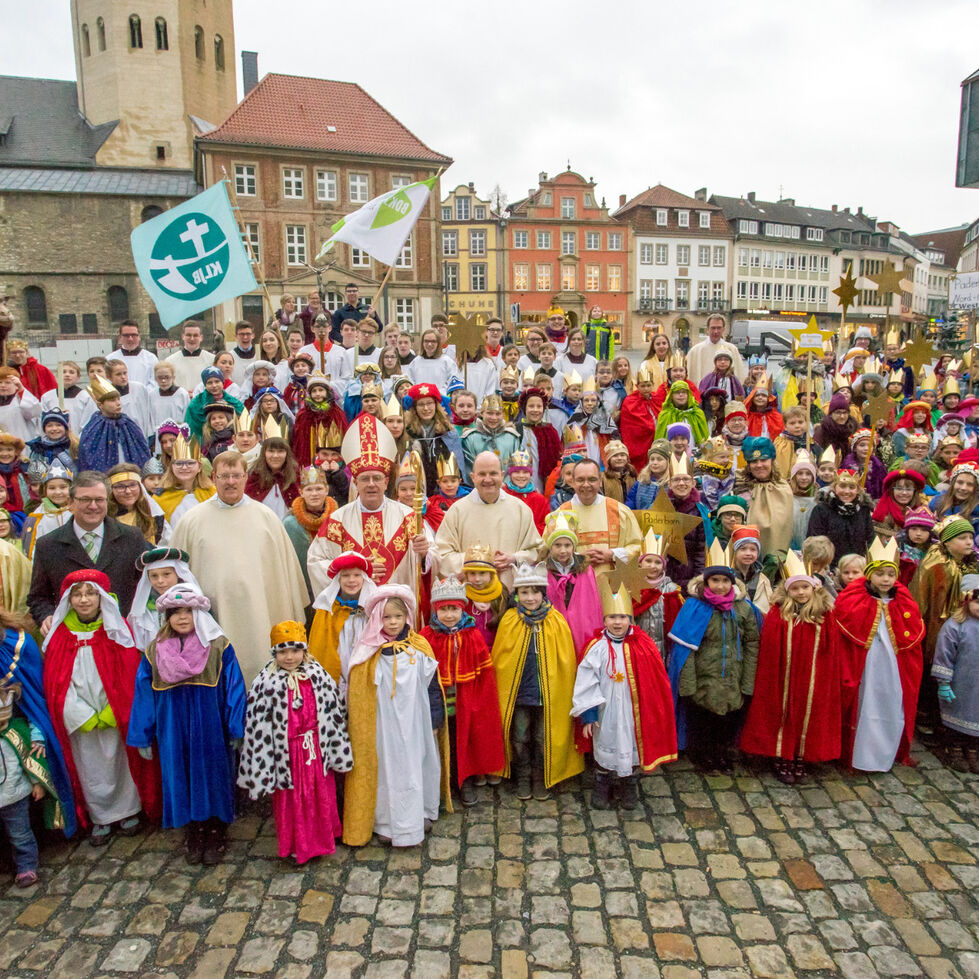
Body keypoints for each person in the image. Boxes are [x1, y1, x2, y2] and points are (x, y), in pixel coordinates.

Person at [127, 584, 246, 865]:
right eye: (175, 612)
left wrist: (235, 726)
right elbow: (144, 694)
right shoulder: (154, 652)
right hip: (173, 727)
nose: (181, 617)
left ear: (199, 614)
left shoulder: (218, 646)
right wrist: (142, 734)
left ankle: (217, 828)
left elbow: (235, 687)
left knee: (212, 772)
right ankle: (194, 829)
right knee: (180, 773)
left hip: (210, 725)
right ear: (166, 617)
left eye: (187, 612)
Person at [41, 569, 161, 843]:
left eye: (90, 594)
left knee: (120, 761)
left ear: (102, 597)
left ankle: (129, 810)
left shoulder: (117, 631)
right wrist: (79, 714)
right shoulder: (60, 636)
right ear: (68, 600)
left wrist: (113, 709)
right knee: (89, 767)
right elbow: (56, 683)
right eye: (77, 595)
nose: (84, 600)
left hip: (113, 714)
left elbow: (129, 673)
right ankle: (100, 817)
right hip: (81, 722)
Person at [171, 452, 308, 685]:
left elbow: (286, 577)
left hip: (261, 615)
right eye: (224, 476)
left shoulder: (267, 518)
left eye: (236, 475)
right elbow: (176, 577)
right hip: (213, 618)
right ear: (213, 477)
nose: (231, 482)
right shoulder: (191, 521)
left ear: (246, 476)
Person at [342, 585, 450, 846]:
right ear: (377, 618)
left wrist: (435, 720)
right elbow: (358, 694)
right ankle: (387, 822)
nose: (392, 622)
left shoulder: (419, 647)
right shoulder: (367, 653)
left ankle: (420, 813)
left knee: (417, 765)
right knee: (387, 772)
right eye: (386, 617)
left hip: (416, 724)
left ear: (407, 618)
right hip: (383, 728)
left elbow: (433, 686)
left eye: (397, 617)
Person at [239, 620, 352, 863]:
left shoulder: (318, 676)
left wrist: (334, 747)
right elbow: (257, 725)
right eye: (282, 651)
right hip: (286, 755)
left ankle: (323, 839)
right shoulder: (265, 682)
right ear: (274, 653)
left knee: (319, 794)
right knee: (292, 800)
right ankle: (296, 845)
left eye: (295, 650)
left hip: (315, 752)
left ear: (304, 651)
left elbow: (333, 713)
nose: (289, 657)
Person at [573, 581, 677, 809]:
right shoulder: (597, 647)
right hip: (606, 710)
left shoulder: (644, 645)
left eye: (622, 617)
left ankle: (629, 784)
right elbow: (586, 682)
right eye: (612, 617)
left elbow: (654, 683)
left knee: (631, 745)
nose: (617, 622)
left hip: (633, 710)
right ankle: (602, 784)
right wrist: (589, 714)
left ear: (630, 619)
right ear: (604, 620)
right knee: (606, 744)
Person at [740, 552, 842, 783]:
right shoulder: (779, 613)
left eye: (805, 587)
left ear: (814, 588)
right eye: (795, 589)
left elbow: (830, 649)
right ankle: (781, 754)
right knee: (781, 712)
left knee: (808, 713)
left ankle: (801, 753)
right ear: (787, 591)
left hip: (813, 676)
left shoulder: (824, 614)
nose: (801, 592)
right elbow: (770, 647)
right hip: (783, 675)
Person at [307, 414, 431, 595]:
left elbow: (431, 560)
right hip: (354, 611)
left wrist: (425, 554)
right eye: (365, 478)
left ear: (386, 482)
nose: (371, 484)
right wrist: (355, 571)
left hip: (397, 612)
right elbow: (315, 562)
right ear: (356, 483)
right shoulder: (337, 520)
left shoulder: (409, 517)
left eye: (377, 478)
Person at [491, 562, 583, 800]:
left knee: (544, 737)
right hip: (520, 693)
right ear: (517, 594)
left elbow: (565, 660)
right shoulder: (510, 620)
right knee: (520, 736)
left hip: (547, 694)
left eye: (535, 592)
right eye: (524, 592)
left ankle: (541, 776)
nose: (530, 598)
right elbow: (501, 660)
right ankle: (522, 776)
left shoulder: (556, 621)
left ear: (543, 593)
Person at [668, 541, 759, 770]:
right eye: (715, 580)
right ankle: (703, 753)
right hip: (704, 677)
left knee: (729, 718)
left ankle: (723, 752)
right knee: (704, 718)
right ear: (706, 581)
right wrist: (688, 684)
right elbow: (685, 648)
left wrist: (748, 680)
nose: (720, 586)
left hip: (733, 676)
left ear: (732, 582)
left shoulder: (743, 608)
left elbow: (752, 644)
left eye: (725, 580)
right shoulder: (695, 606)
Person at [837, 537, 925, 772]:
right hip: (865, 664)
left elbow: (911, 635)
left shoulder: (904, 599)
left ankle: (886, 753)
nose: (886, 579)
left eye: (890, 574)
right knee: (865, 704)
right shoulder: (853, 597)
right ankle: (858, 755)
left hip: (894, 665)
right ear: (869, 574)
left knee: (891, 703)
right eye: (880, 574)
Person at [419, 575, 505, 807]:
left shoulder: (472, 635)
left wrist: (480, 703)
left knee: (462, 742)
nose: (448, 615)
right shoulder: (426, 637)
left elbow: (484, 674)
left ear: (462, 609)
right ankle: (439, 784)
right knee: (439, 744)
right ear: (436, 611)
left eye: (453, 609)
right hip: (437, 702)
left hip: (465, 700)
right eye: (443, 609)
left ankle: (463, 782)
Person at [28, 472, 149, 631]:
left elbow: (147, 585)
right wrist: (46, 616)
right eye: (85, 499)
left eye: (99, 499)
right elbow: (38, 597)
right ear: (70, 502)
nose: (93, 506)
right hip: (71, 638)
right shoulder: (48, 545)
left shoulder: (132, 538)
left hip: (122, 638)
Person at [910, 515, 979, 742]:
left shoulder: (971, 565)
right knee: (933, 673)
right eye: (962, 538)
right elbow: (922, 597)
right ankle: (926, 718)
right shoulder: (936, 564)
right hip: (936, 626)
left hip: (963, 626)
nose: (969, 542)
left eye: (971, 537)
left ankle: (949, 720)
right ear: (947, 542)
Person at [434, 452, 543, 590]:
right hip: (471, 595)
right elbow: (442, 555)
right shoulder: (457, 511)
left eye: (493, 473)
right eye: (482, 474)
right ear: (472, 477)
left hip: (509, 593)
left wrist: (514, 558)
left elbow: (537, 550)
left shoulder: (520, 509)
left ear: (502, 475)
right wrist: (476, 561)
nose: (488, 479)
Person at [555, 459, 642, 577]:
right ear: (573, 482)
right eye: (580, 480)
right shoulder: (560, 515)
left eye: (592, 479)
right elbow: (547, 554)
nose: (586, 485)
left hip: (613, 589)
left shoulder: (619, 511)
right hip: (574, 588)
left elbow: (638, 547)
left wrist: (612, 555)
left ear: (600, 481)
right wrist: (576, 559)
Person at [932, 575, 979, 773]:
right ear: (966, 600)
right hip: (960, 683)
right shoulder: (954, 626)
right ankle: (955, 749)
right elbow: (944, 655)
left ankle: (973, 750)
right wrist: (943, 681)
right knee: (957, 715)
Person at [543, 511, 603, 660]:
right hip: (555, 627)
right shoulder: (544, 570)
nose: (563, 550)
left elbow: (592, 603)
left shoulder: (584, 569)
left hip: (582, 625)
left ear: (573, 546)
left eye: (567, 545)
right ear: (550, 547)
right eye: (557, 545)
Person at [127, 547, 202, 652]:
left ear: (178, 573)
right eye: (154, 576)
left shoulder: (194, 602)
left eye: (166, 574)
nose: (160, 581)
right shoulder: (144, 609)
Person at [283, 466, 338, 601]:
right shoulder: (290, 524)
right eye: (309, 489)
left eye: (319, 489)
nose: (314, 494)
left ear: (326, 490)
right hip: (301, 588)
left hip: (332, 586)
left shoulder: (338, 519)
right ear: (301, 492)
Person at [734, 437, 795, 559]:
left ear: (772, 461)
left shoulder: (783, 488)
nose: (759, 465)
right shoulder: (739, 486)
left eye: (764, 460)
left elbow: (786, 526)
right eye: (754, 461)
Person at [77, 375, 151, 472]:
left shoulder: (128, 423)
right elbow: (87, 454)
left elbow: (141, 448)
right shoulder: (94, 427)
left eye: (118, 399)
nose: (118, 403)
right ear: (100, 405)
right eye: (112, 400)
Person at [807, 467, 875, 570]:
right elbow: (815, 542)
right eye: (842, 486)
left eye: (852, 487)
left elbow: (870, 540)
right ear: (834, 487)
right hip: (829, 568)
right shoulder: (821, 510)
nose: (847, 491)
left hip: (857, 570)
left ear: (857, 490)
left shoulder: (863, 511)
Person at [155, 438, 216, 526]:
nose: (184, 467)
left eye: (190, 463)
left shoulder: (212, 494)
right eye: (179, 463)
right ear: (172, 467)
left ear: (199, 467)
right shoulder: (160, 498)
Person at [21, 462, 74, 559]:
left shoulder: (78, 513)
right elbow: (33, 553)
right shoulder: (37, 518)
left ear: (71, 488)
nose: (58, 492)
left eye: (63, 487)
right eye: (52, 488)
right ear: (44, 490)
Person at [244, 437, 300, 519]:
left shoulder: (295, 475)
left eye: (280, 451)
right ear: (264, 453)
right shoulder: (254, 476)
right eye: (271, 451)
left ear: (286, 453)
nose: (275, 455)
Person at [686, 314, 746, 385]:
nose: (716, 331)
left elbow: (739, 375)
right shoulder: (696, 351)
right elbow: (689, 376)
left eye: (719, 328)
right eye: (713, 328)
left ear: (723, 329)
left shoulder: (732, 349)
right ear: (707, 329)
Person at [165, 321, 215, 392]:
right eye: (188, 335)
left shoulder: (212, 360)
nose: (192, 339)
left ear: (201, 337)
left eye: (195, 335)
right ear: (183, 336)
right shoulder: (170, 361)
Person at [0, 366, 40, 442]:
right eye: (0, 382)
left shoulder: (21, 401)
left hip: (22, 441)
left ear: (16, 386)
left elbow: (33, 412)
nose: (3, 385)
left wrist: (21, 389)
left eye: (7, 382)